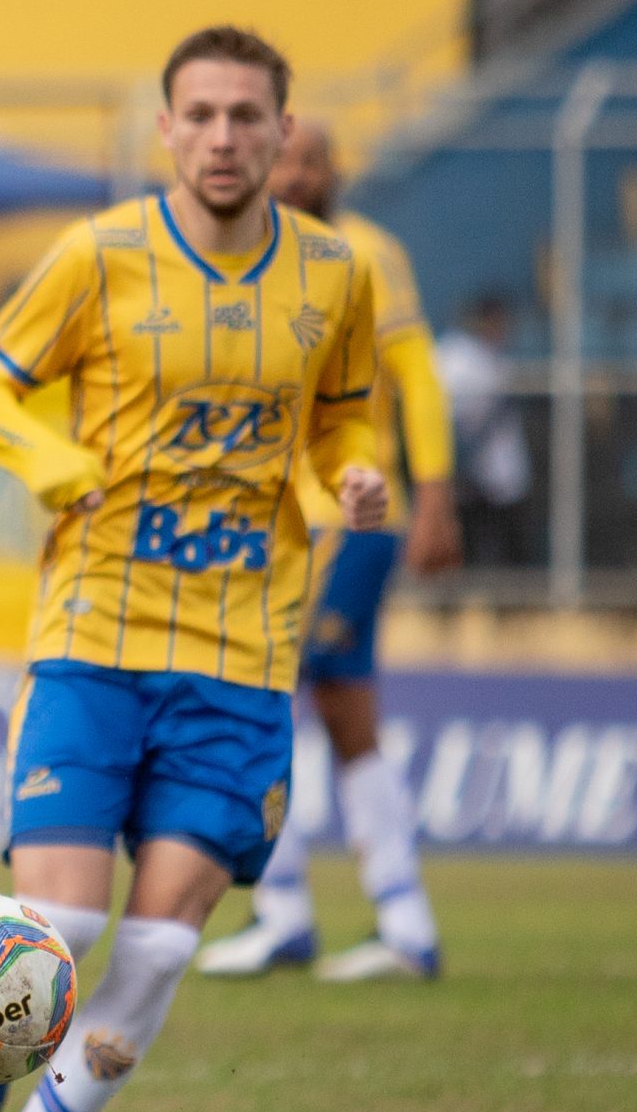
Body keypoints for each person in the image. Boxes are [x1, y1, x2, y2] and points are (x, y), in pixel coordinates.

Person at [0, 26, 388, 1112]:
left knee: (164, 939)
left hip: (241, 654)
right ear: (165, 131)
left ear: (285, 134)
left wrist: (351, 480)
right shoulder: (99, 254)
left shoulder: (338, 275)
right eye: (202, 114)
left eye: (248, 115)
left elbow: (342, 423)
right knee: (66, 926)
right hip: (96, 625)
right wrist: (52, 455)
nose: (225, 137)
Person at [197, 122, 459, 983]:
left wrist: (437, 498)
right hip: (268, 525)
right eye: (288, 161)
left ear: (336, 170)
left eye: (315, 160)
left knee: (250, 699)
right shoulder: (249, 265)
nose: (301, 175)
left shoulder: (367, 253)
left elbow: (416, 375)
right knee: (345, 711)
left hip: (347, 515)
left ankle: (293, 914)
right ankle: (396, 920)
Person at [438, 294, 534, 568]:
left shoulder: (498, 359)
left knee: (509, 555)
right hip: (464, 475)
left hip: (502, 478)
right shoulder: (456, 355)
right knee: (466, 554)